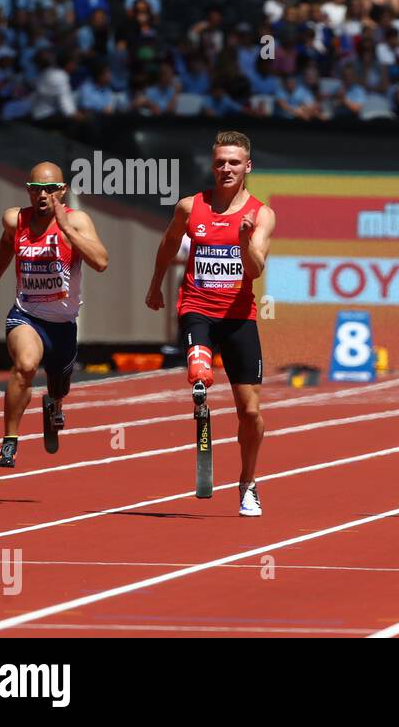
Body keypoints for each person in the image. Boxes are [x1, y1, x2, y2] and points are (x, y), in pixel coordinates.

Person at [145, 131, 277, 517]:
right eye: (220, 162)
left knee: (250, 412)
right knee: (199, 370)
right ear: (212, 165)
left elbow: (254, 270)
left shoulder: (261, 214)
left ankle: (248, 483)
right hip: (197, 309)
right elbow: (168, 244)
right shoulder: (190, 208)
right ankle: (200, 385)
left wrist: (244, 241)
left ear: (247, 166)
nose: (226, 169)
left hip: (238, 317)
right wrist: (155, 285)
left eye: (234, 162)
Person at [0, 164, 109, 467]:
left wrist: (67, 230)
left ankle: (54, 404)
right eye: (36, 188)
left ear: (62, 191)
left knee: (58, 384)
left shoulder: (78, 220)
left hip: (62, 323)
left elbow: (101, 262)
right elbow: (4, 249)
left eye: (50, 189)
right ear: (28, 190)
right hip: (27, 315)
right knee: (24, 366)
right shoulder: (15, 219)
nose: (43, 195)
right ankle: (9, 441)